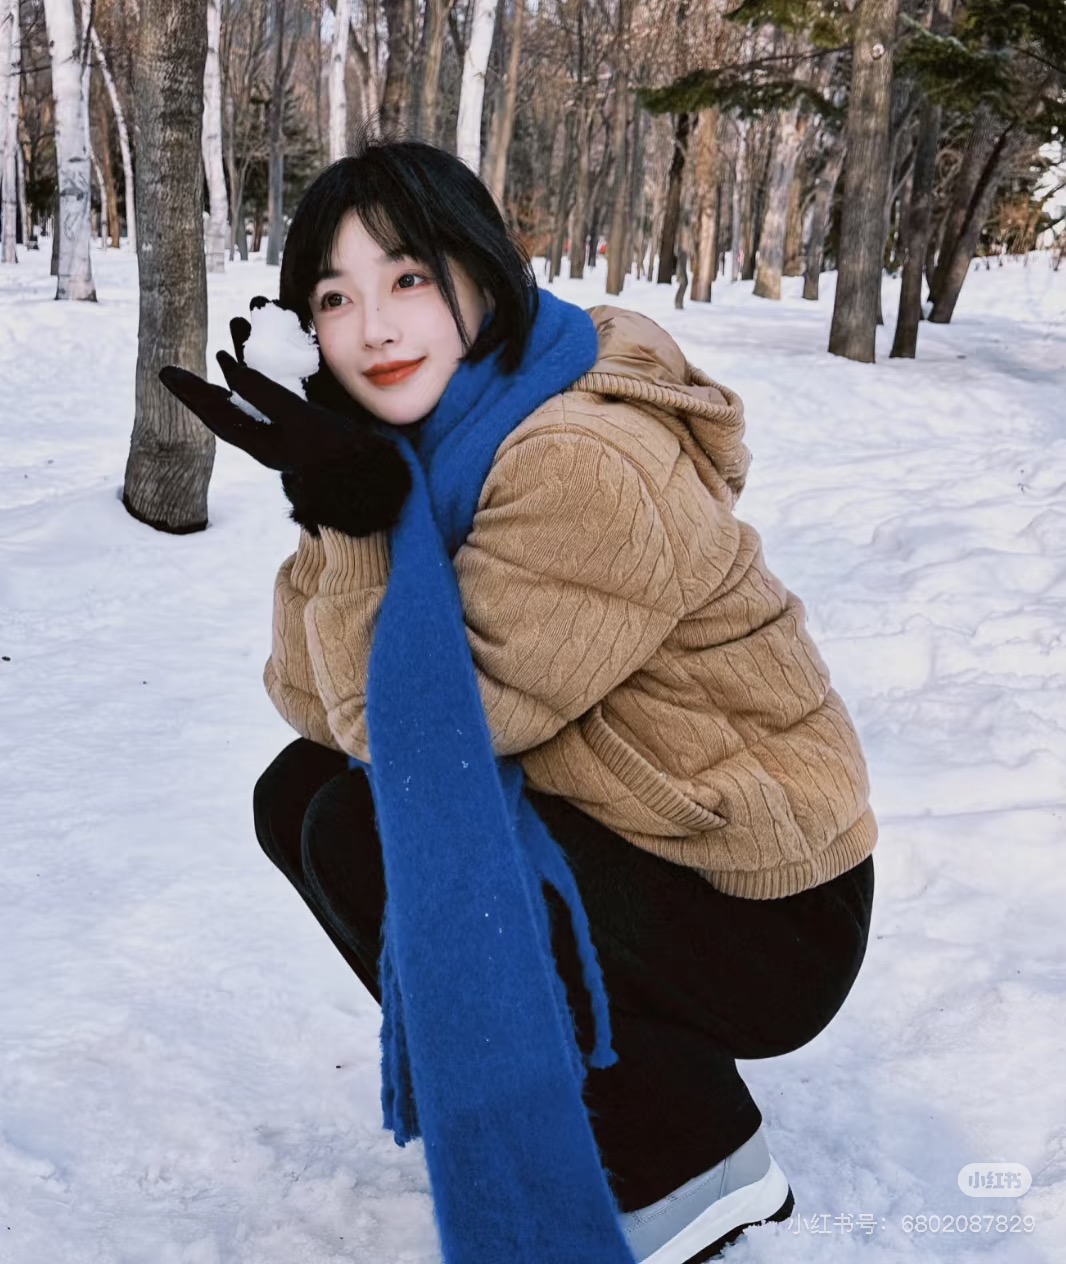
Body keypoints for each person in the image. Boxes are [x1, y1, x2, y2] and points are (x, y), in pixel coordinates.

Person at [161, 138, 876, 1264]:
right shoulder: (433, 440)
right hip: (645, 834)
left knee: (362, 821)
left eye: (408, 277)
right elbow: (308, 699)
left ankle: (690, 1159)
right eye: (335, 299)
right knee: (297, 791)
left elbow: (417, 739)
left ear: (483, 271)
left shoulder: (579, 458)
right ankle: (597, 1092)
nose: (375, 329)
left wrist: (354, 517)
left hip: (762, 900)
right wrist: (330, 503)